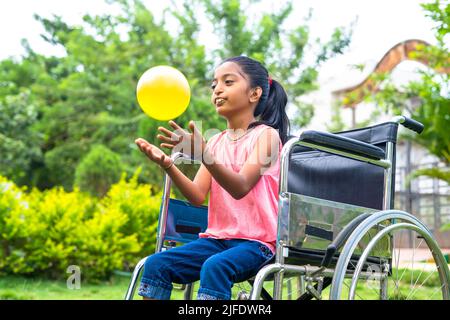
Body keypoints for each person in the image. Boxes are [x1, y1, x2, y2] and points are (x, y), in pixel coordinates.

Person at [135, 55, 290, 300]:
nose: (217, 88)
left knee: (216, 266)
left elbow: (240, 187)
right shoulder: (216, 142)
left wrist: (204, 154)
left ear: (254, 94)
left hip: (257, 245)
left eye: (228, 82)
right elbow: (197, 195)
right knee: (156, 265)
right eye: (214, 84)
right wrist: (168, 166)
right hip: (217, 239)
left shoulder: (267, 137)